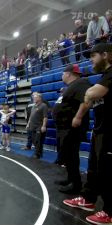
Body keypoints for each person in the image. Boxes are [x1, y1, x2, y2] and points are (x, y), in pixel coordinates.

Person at [63, 43, 112, 225]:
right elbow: (89, 98)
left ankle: (109, 212)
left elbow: (93, 93)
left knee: (107, 171)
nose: (90, 59)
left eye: (93, 56)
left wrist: (90, 94)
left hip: (109, 132)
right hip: (100, 129)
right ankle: (88, 199)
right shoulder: (104, 76)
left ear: (105, 55)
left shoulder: (111, 73)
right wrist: (90, 96)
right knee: (93, 168)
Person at [53, 64, 91, 194]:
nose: (62, 76)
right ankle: (70, 179)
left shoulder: (81, 83)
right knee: (68, 156)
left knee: (72, 156)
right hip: (65, 128)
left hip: (72, 128)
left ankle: (76, 185)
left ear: (68, 73)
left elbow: (86, 101)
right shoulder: (73, 86)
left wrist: (78, 117)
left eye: (63, 73)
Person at [27, 93, 48, 159]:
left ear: (39, 98)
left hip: (39, 126)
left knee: (38, 140)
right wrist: (28, 124)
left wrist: (44, 126)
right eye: (33, 97)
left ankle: (37, 154)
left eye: (35, 97)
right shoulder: (34, 106)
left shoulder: (43, 105)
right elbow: (31, 116)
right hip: (32, 126)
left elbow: (45, 117)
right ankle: (39, 152)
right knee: (33, 140)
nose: (33, 98)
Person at [52, 87, 65, 166]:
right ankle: (59, 158)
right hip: (58, 124)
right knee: (59, 142)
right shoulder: (59, 98)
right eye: (60, 92)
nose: (60, 93)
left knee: (63, 143)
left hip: (64, 124)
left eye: (62, 91)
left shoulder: (67, 98)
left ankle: (63, 160)